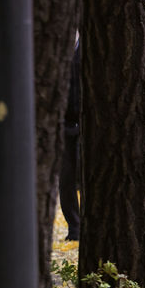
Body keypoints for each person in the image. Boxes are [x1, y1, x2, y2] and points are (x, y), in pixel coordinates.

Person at [59, 37, 81, 242]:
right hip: (65, 124)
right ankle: (75, 227)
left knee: (84, 176)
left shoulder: (88, 47)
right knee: (66, 180)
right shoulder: (61, 47)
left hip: (85, 123)